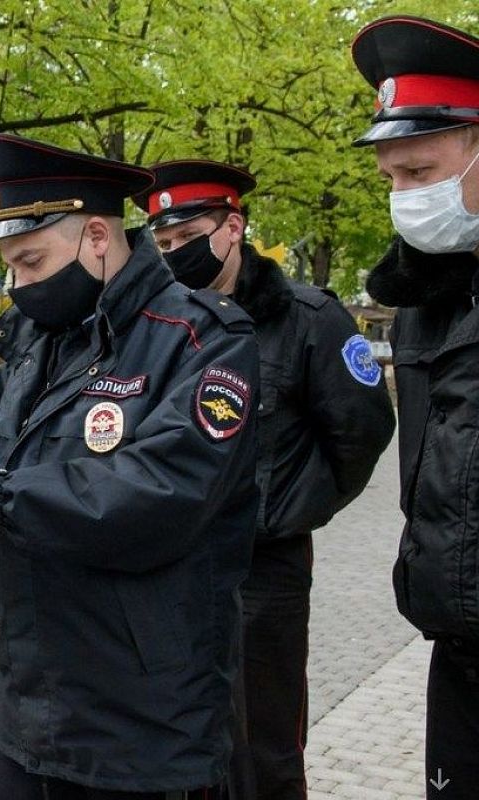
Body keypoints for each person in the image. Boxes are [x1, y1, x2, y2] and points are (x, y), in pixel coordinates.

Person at [0, 132, 261, 798]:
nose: (19, 286)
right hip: (31, 703)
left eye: (31, 261)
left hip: (143, 720)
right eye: (11, 267)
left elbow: (162, 493)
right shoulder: (35, 347)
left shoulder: (203, 340)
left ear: (97, 237)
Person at [136, 163, 395, 800]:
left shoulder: (308, 319)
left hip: (264, 570)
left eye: (188, 236)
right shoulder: (159, 325)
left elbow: (362, 430)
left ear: (233, 227)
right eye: (162, 244)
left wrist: (292, 506)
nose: (174, 255)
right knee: (177, 734)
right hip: (174, 564)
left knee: (264, 743)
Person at [352, 15, 479, 797]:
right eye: (393, 178)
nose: (405, 198)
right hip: (460, 652)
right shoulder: (428, 299)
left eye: (422, 171)